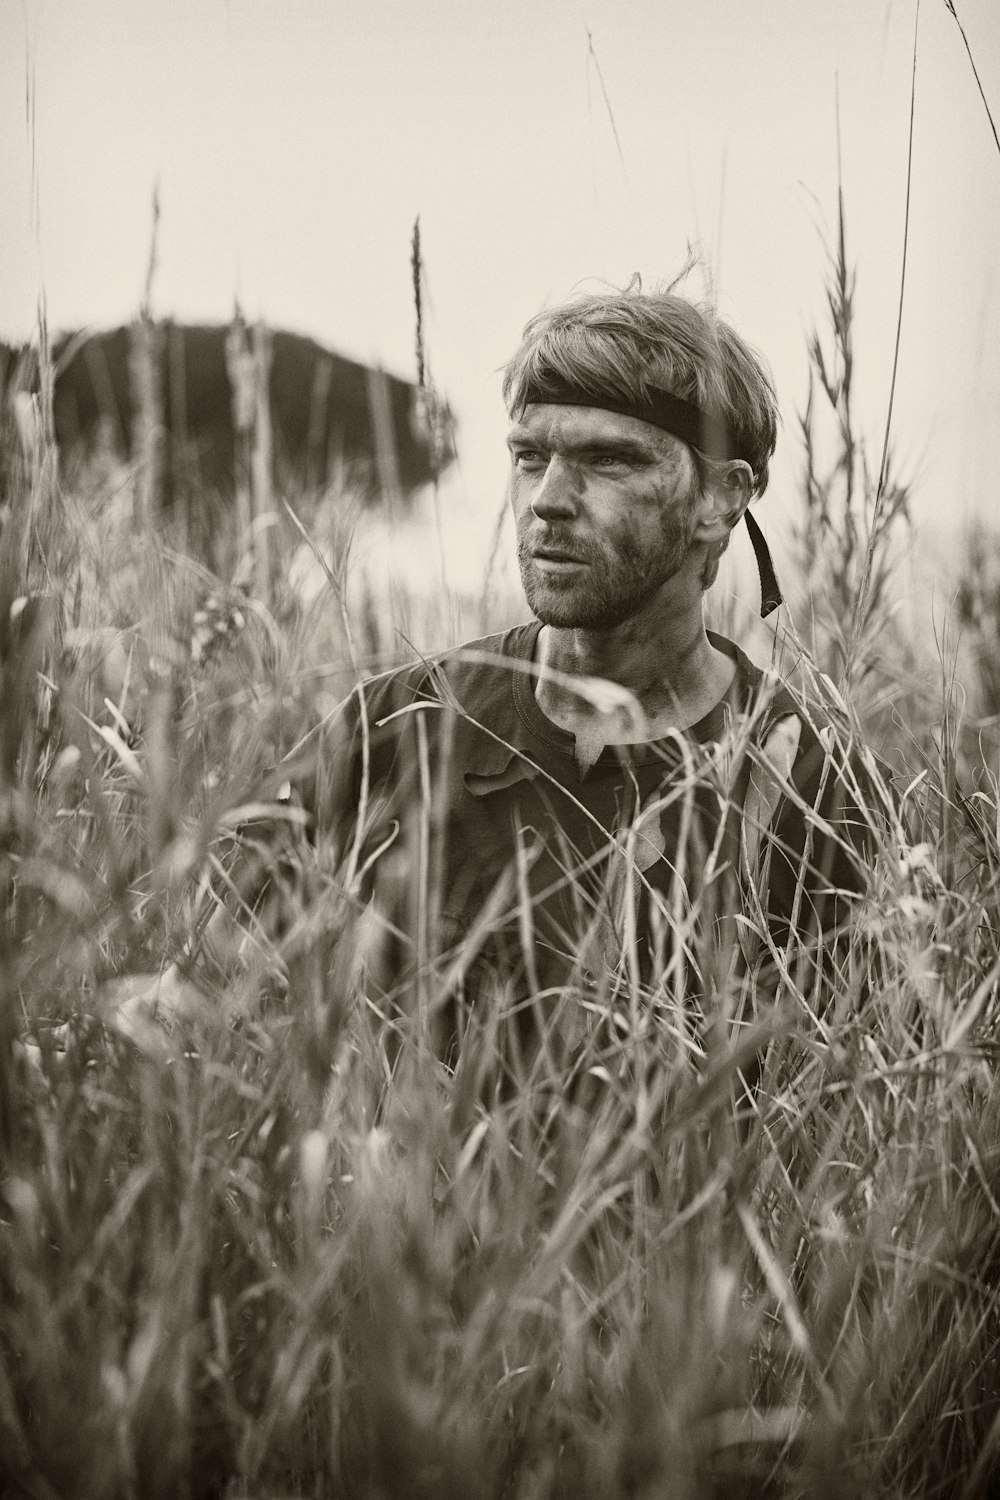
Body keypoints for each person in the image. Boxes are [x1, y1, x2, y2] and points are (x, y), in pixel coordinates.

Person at [267, 284, 885, 1078]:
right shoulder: (402, 723)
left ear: (720, 498)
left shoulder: (814, 786)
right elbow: (219, 970)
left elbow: (853, 1112)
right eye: (531, 457)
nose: (548, 501)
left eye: (609, 460)